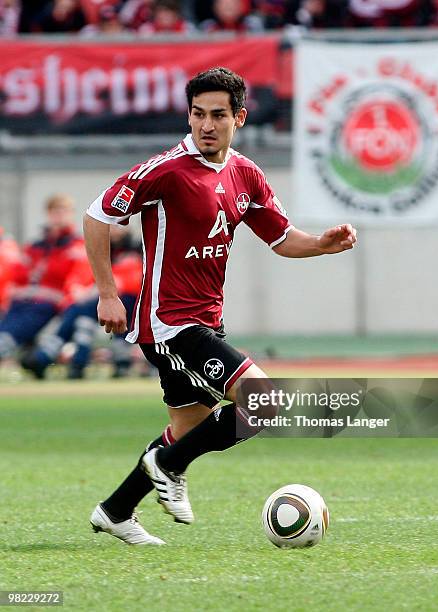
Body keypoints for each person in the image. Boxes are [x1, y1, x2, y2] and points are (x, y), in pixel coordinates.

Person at [84, 67, 357, 545]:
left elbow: (281, 238)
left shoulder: (245, 174)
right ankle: (166, 466)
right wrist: (108, 292)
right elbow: (96, 216)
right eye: (197, 114)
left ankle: (116, 510)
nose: (205, 125)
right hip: (169, 322)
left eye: (217, 115)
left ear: (240, 118)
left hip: (207, 320)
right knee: (264, 402)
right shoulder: (166, 171)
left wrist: (320, 244)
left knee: (186, 429)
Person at [21, 226, 142, 380]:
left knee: (82, 311)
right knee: (81, 313)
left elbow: (131, 279)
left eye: (119, 225)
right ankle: (77, 362)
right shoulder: (101, 249)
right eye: (111, 225)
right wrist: (77, 290)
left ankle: (50, 356)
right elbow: (81, 276)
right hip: (101, 298)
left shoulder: (135, 249)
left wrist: (101, 288)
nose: (114, 229)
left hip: (131, 299)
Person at [0, 194, 84, 363]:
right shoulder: (36, 246)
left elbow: (77, 278)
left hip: (52, 302)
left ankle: (8, 345)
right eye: (55, 212)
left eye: (63, 211)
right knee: (11, 316)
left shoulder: (77, 246)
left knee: (25, 320)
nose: (59, 216)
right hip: (27, 300)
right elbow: (20, 275)